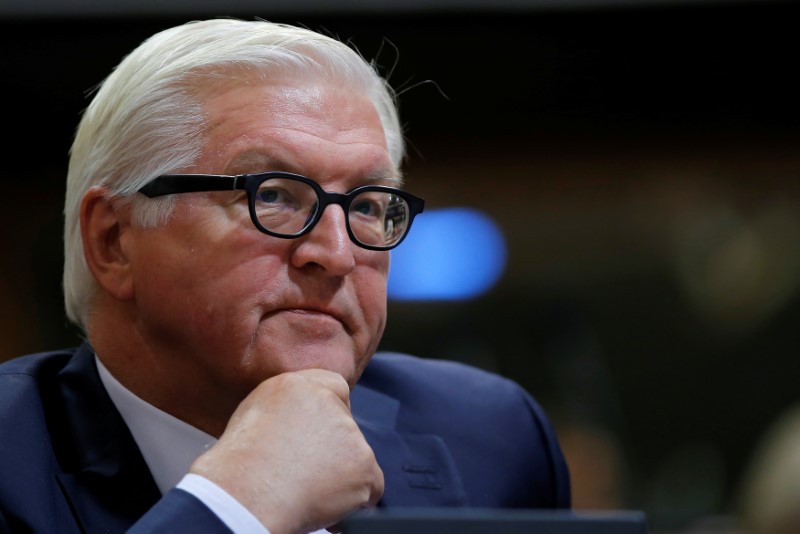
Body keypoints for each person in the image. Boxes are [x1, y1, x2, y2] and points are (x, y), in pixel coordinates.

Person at [0, 17, 571, 534]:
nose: (338, 254)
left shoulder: (492, 435)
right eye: (272, 195)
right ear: (114, 241)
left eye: (368, 206)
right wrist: (237, 504)